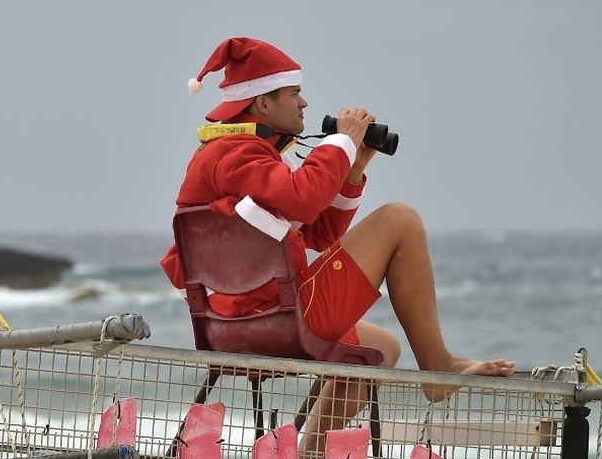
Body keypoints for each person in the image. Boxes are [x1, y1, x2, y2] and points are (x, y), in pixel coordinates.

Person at [160, 36, 513, 431]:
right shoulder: (237, 153)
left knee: (380, 348)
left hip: (233, 324)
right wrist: (342, 141)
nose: (304, 103)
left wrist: (353, 169)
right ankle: (438, 366)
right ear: (262, 103)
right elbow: (302, 198)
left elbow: (318, 232)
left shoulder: (227, 155)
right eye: (294, 93)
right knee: (401, 218)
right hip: (274, 320)